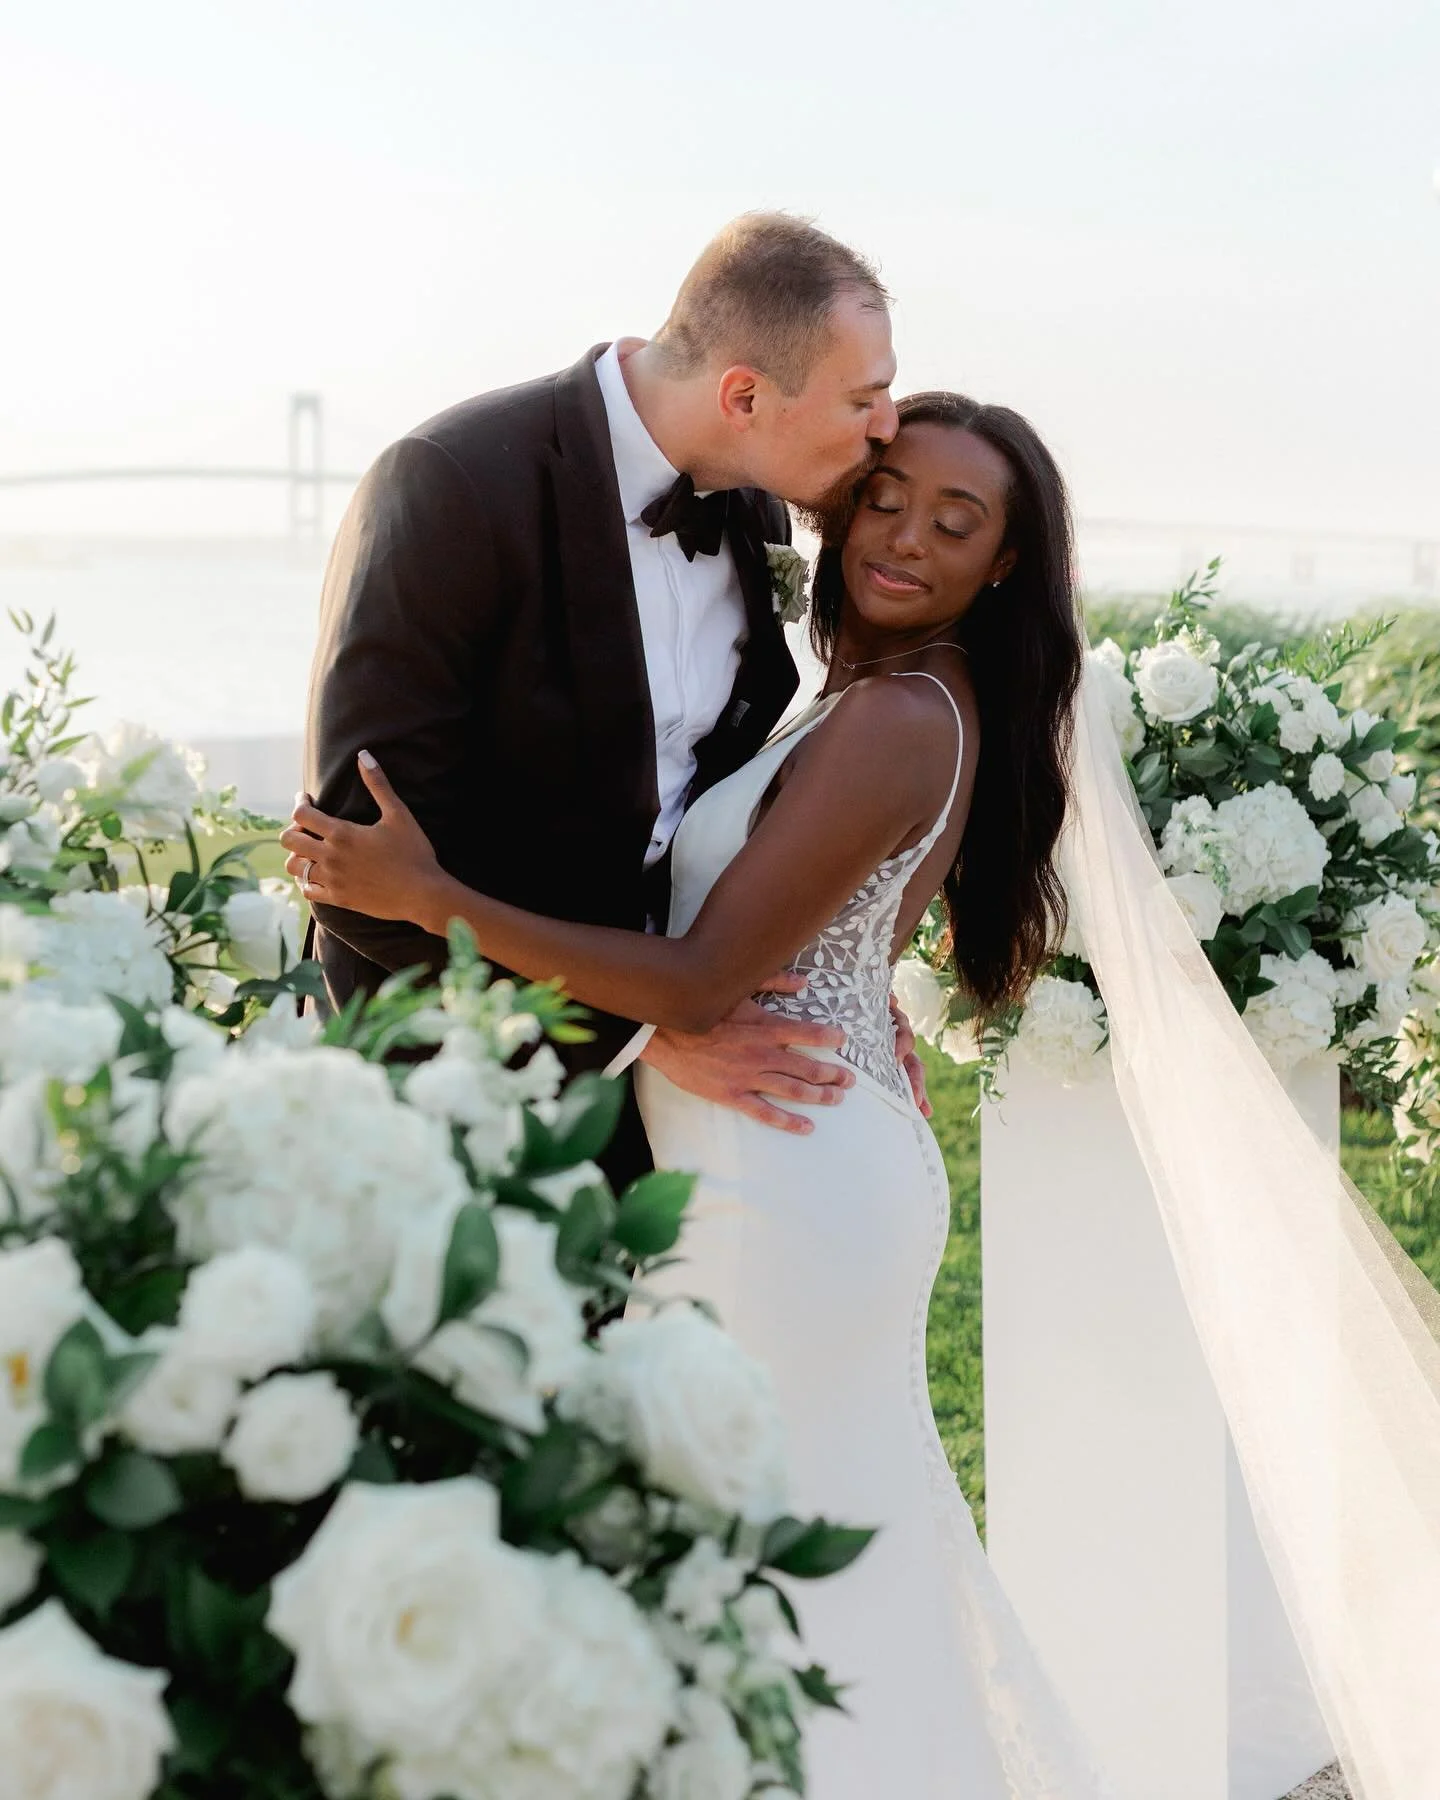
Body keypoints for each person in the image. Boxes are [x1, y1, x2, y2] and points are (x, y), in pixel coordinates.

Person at [282, 393, 1116, 1797]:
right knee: (808, 1556)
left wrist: (432, 899)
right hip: (781, 1142)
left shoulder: (902, 719)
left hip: (779, 1181)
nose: (903, 536)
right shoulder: (868, 699)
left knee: (757, 1567)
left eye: (953, 523)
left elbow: (703, 977)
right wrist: (665, 1024)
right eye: (889, 493)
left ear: (1004, 568)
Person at [300, 212, 918, 1196]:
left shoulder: (755, 505)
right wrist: (640, 1037)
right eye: (866, 396)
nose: (889, 424)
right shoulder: (454, 486)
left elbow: (697, 809)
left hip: (671, 1115)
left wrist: (830, 991)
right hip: (447, 1107)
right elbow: (356, 868)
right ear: (746, 395)